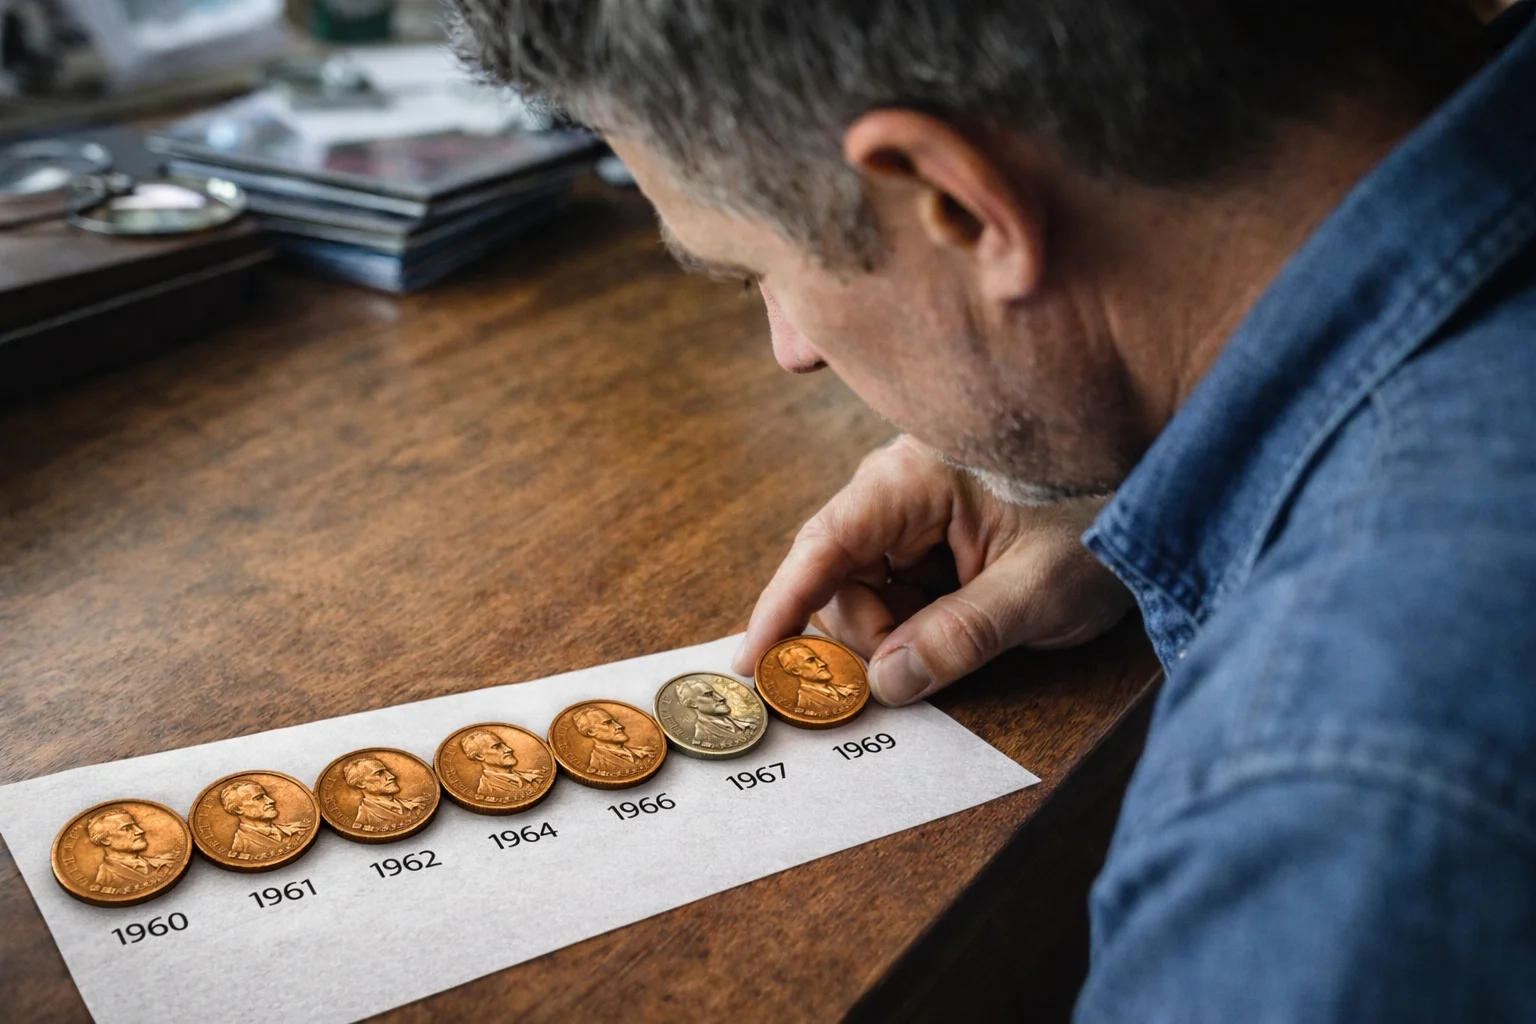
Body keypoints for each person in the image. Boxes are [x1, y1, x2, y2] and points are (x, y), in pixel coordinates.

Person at [453, 1, 1536, 1016]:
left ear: (958, 204)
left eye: (755, 272)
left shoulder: (1321, 809)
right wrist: (1130, 444)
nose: (791, 349)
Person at [85, 809, 177, 894]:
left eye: (135, 826)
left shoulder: (164, 861)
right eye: (127, 828)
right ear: (105, 839)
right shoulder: (105, 882)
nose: (140, 831)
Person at [220, 780, 309, 860]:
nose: (271, 800)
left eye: (266, 796)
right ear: (238, 809)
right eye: (258, 798)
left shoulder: (296, 828)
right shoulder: (240, 847)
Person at [342, 757, 428, 830]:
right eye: (379, 773)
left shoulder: (415, 804)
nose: (392, 776)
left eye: (387, 771)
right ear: (360, 784)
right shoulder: (363, 822)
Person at [459, 728, 546, 797]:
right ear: (479, 756)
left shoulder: (532, 774)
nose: (509, 749)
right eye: (496, 747)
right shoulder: (488, 790)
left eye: (504, 745)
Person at [673, 677, 757, 746]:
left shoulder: (747, 722)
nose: (721, 697)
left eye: (715, 693)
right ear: (692, 703)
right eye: (709, 695)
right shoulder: (703, 737)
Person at [774, 643, 856, 713]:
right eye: (811, 660)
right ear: (796, 670)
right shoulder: (805, 704)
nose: (822, 663)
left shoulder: (846, 689)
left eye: (818, 659)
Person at [573, 707, 655, 774]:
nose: (619, 726)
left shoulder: (644, 751)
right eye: (607, 723)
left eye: (615, 721)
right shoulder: (598, 765)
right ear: (591, 732)